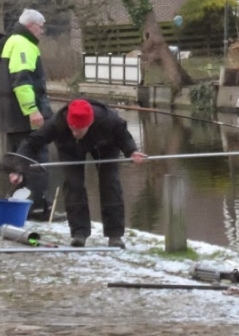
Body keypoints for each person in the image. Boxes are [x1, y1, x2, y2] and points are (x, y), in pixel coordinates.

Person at [10, 99, 146, 248]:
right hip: (69, 148)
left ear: (89, 123)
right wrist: (18, 168)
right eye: (72, 127)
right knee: (74, 184)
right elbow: (31, 143)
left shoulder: (108, 119)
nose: (75, 132)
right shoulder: (58, 123)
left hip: (105, 145)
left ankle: (115, 235)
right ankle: (79, 233)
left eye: (79, 129)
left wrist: (132, 151)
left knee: (110, 183)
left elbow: (123, 136)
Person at [0, 9, 53, 219]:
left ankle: (19, 205)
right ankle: (38, 208)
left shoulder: (6, 42)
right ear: (31, 26)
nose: (42, 31)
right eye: (41, 26)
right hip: (22, 115)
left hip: (7, 114)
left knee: (18, 160)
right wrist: (32, 110)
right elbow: (22, 80)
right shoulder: (24, 44)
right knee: (36, 159)